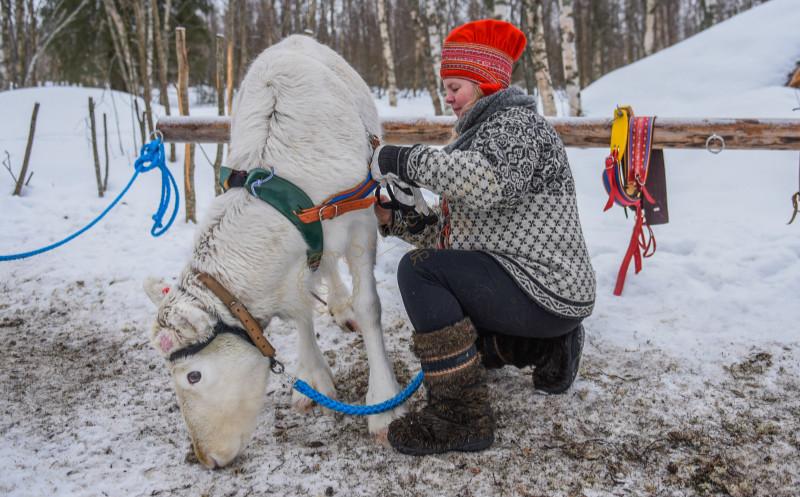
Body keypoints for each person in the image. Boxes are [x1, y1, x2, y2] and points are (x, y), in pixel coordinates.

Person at [370, 19, 596, 456]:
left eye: (456, 86)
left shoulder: (517, 127)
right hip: (542, 295)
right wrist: (395, 218)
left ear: (485, 81)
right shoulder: (479, 139)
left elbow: (485, 182)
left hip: (544, 288)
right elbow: (452, 236)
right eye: (446, 87)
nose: (448, 96)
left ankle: (460, 417)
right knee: (464, 345)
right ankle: (551, 348)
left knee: (419, 275)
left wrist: (398, 157)